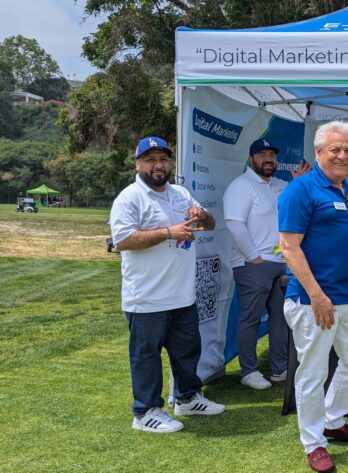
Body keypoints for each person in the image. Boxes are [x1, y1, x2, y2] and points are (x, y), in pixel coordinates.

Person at [110, 136, 225, 433]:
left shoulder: (181, 194)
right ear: (138, 164)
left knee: (187, 352)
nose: (158, 165)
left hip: (183, 294)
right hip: (147, 296)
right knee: (146, 357)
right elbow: (123, 241)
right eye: (150, 160)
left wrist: (203, 216)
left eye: (162, 159)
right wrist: (168, 232)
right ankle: (145, 412)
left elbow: (210, 224)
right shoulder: (129, 198)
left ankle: (187, 398)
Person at [278, 121, 348, 473]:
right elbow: (289, 248)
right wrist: (316, 295)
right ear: (318, 153)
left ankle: (333, 420)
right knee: (312, 373)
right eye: (334, 149)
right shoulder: (300, 191)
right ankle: (314, 443)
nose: (342, 155)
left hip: (347, 298)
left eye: (347, 150)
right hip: (312, 302)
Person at [222, 139, 310, 390]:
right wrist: (254, 257)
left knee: (281, 318)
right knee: (250, 319)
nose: (268, 159)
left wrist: (299, 183)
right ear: (252, 158)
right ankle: (248, 371)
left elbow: (293, 203)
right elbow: (234, 224)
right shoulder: (241, 186)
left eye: (272, 154)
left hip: (280, 264)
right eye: (262, 154)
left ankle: (280, 368)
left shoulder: (279, 185)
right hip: (253, 265)